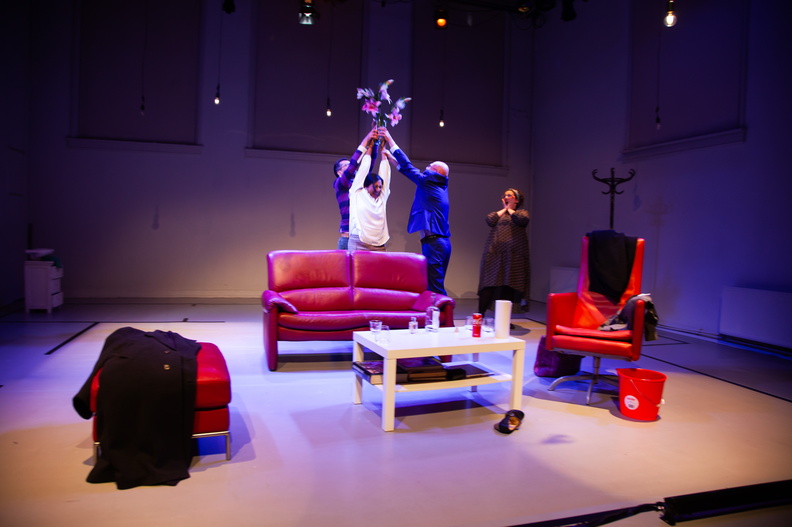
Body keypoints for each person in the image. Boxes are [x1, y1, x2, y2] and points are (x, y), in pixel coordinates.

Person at [381, 128, 451, 294]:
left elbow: (408, 167)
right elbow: (409, 172)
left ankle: (444, 312)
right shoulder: (437, 185)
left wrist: (390, 140)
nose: (426, 167)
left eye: (430, 166)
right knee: (432, 286)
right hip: (439, 243)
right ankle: (437, 311)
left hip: (434, 244)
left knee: (435, 288)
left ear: (435, 172)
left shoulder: (429, 182)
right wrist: (391, 159)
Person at [477, 188, 531, 315]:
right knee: (489, 284)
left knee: (508, 287)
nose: (506, 197)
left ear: (517, 200)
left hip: (514, 256)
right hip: (494, 254)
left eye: (510, 195)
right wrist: (505, 209)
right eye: (505, 195)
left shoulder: (522, 213)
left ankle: (503, 320)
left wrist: (510, 209)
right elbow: (490, 220)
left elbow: (522, 220)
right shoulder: (498, 214)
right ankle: (480, 316)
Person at [333, 127, 378, 250]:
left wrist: (374, 143)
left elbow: (369, 165)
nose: (350, 167)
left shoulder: (359, 183)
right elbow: (354, 164)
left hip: (362, 237)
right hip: (347, 238)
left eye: (349, 165)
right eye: (346, 166)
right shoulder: (339, 184)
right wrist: (366, 139)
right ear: (339, 172)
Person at [348, 134, 391, 251]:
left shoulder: (382, 197)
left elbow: (385, 174)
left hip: (379, 243)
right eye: (375, 186)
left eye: (380, 187)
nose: (378, 190)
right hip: (359, 241)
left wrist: (383, 150)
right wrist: (370, 147)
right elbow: (363, 169)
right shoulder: (358, 193)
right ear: (366, 186)